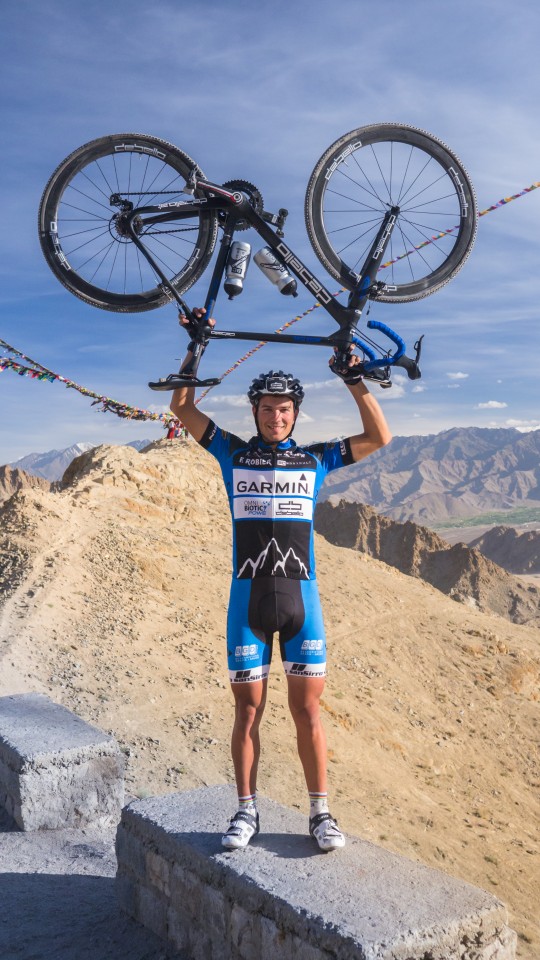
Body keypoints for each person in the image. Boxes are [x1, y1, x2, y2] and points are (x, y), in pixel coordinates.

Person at [170, 309, 392, 852]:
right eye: (267, 408)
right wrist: (196, 344)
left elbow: (379, 436)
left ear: (295, 414)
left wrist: (354, 379)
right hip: (246, 599)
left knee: (308, 711)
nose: (276, 417)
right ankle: (246, 811)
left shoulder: (316, 459)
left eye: (285, 409)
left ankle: (321, 814)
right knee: (247, 711)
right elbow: (180, 406)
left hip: (302, 602)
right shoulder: (231, 452)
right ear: (255, 411)